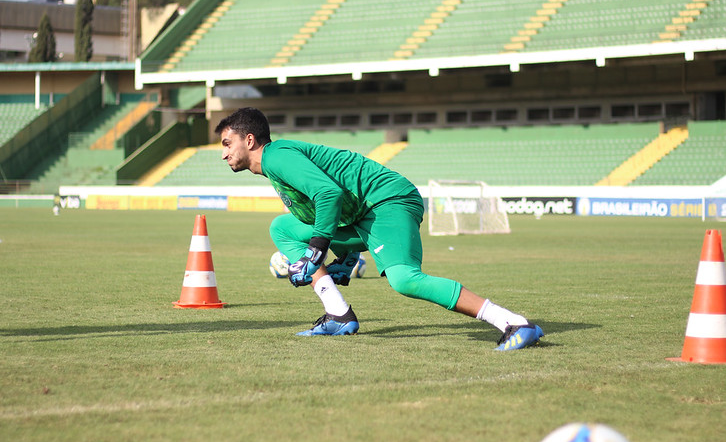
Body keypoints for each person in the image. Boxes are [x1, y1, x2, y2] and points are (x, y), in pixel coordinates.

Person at [215, 107, 544, 350]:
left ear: (249, 139)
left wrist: (315, 253)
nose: (223, 154)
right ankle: (338, 315)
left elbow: (329, 194)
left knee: (404, 280)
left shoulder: (276, 157)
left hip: (388, 202)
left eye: (228, 143)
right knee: (282, 228)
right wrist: (343, 254)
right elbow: (331, 204)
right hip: (363, 213)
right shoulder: (274, 166)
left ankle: (512, 322)